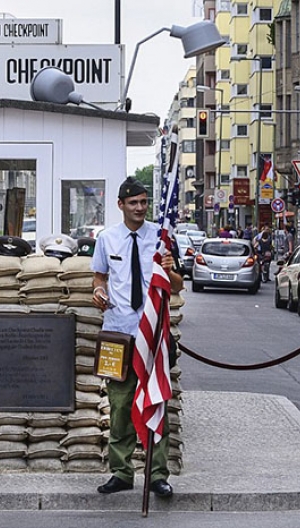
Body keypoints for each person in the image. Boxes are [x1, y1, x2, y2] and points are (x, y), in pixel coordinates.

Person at [90, 176, 183, 498]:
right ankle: (121, 472)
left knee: (156, 402)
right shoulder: (107, 239)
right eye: (133, 203)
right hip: (118, 334)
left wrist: (169, 269)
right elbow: (99, 278)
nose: (140, 208)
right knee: (119, 406)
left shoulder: (161, 237)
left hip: (153, 334)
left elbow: (177, 285)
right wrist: (98, 292)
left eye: (144, 202)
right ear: (121, 205)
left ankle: (157, 475)